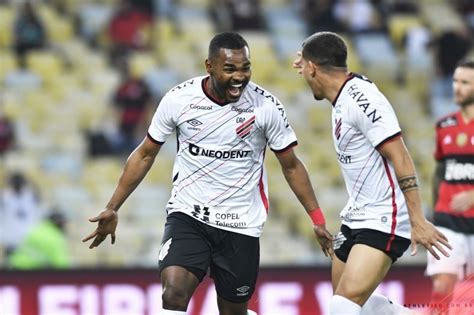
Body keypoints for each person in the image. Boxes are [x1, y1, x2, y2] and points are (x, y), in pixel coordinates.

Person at [83, 32, 333, 315]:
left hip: (240, 224)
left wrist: (317, 218)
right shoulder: (179, 100)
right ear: (209, 66)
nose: (239, 76)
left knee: (232, 312)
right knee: (174, 293)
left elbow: (291, 166)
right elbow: (144, 153)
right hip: (190, 216)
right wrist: (112, 207)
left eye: (245, 67)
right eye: (230, 69)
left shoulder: (265, 107)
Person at [293, 31, 451, 315]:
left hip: (385, 217)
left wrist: (417, 219)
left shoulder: (362, 99)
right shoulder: (343, 95)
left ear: (314, 68)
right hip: (356, 216)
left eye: (305, 68)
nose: (302, 75)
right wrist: (308, 58)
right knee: (355, 304)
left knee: (342, 307)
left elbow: (400, 155)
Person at [426, 59, 474, 315]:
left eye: (465, 82)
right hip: (448, 222)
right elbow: (440, 172)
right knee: (442, 285)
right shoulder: (444, 126)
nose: (457, 87)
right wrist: (435, 213)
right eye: (456, 81)